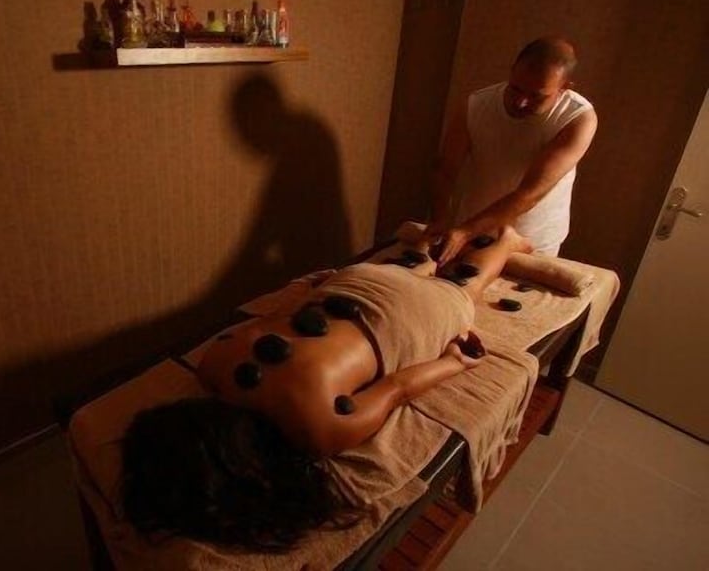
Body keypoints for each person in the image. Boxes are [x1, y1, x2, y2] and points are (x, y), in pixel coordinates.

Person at [120, 227, 532, 550]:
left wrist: (454, 362)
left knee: (465, 288)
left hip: (410, 316)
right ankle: (421, 259)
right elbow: (277, 317)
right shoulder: (215, 364)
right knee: (409, 272)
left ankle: (506, 241)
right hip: (353, 285)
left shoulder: (316, 430)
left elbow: (397, 387)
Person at [426, 37, 598, 265]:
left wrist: (465, 232)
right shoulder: (476, 105)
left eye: (536, 95)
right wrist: (440, 218)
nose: (521, 102)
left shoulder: (577, 119)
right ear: (512, 71)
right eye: (515, 88)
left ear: (565, 87)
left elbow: (530, 193)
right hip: (472, 230)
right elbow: (445, 169)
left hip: (533, 241)